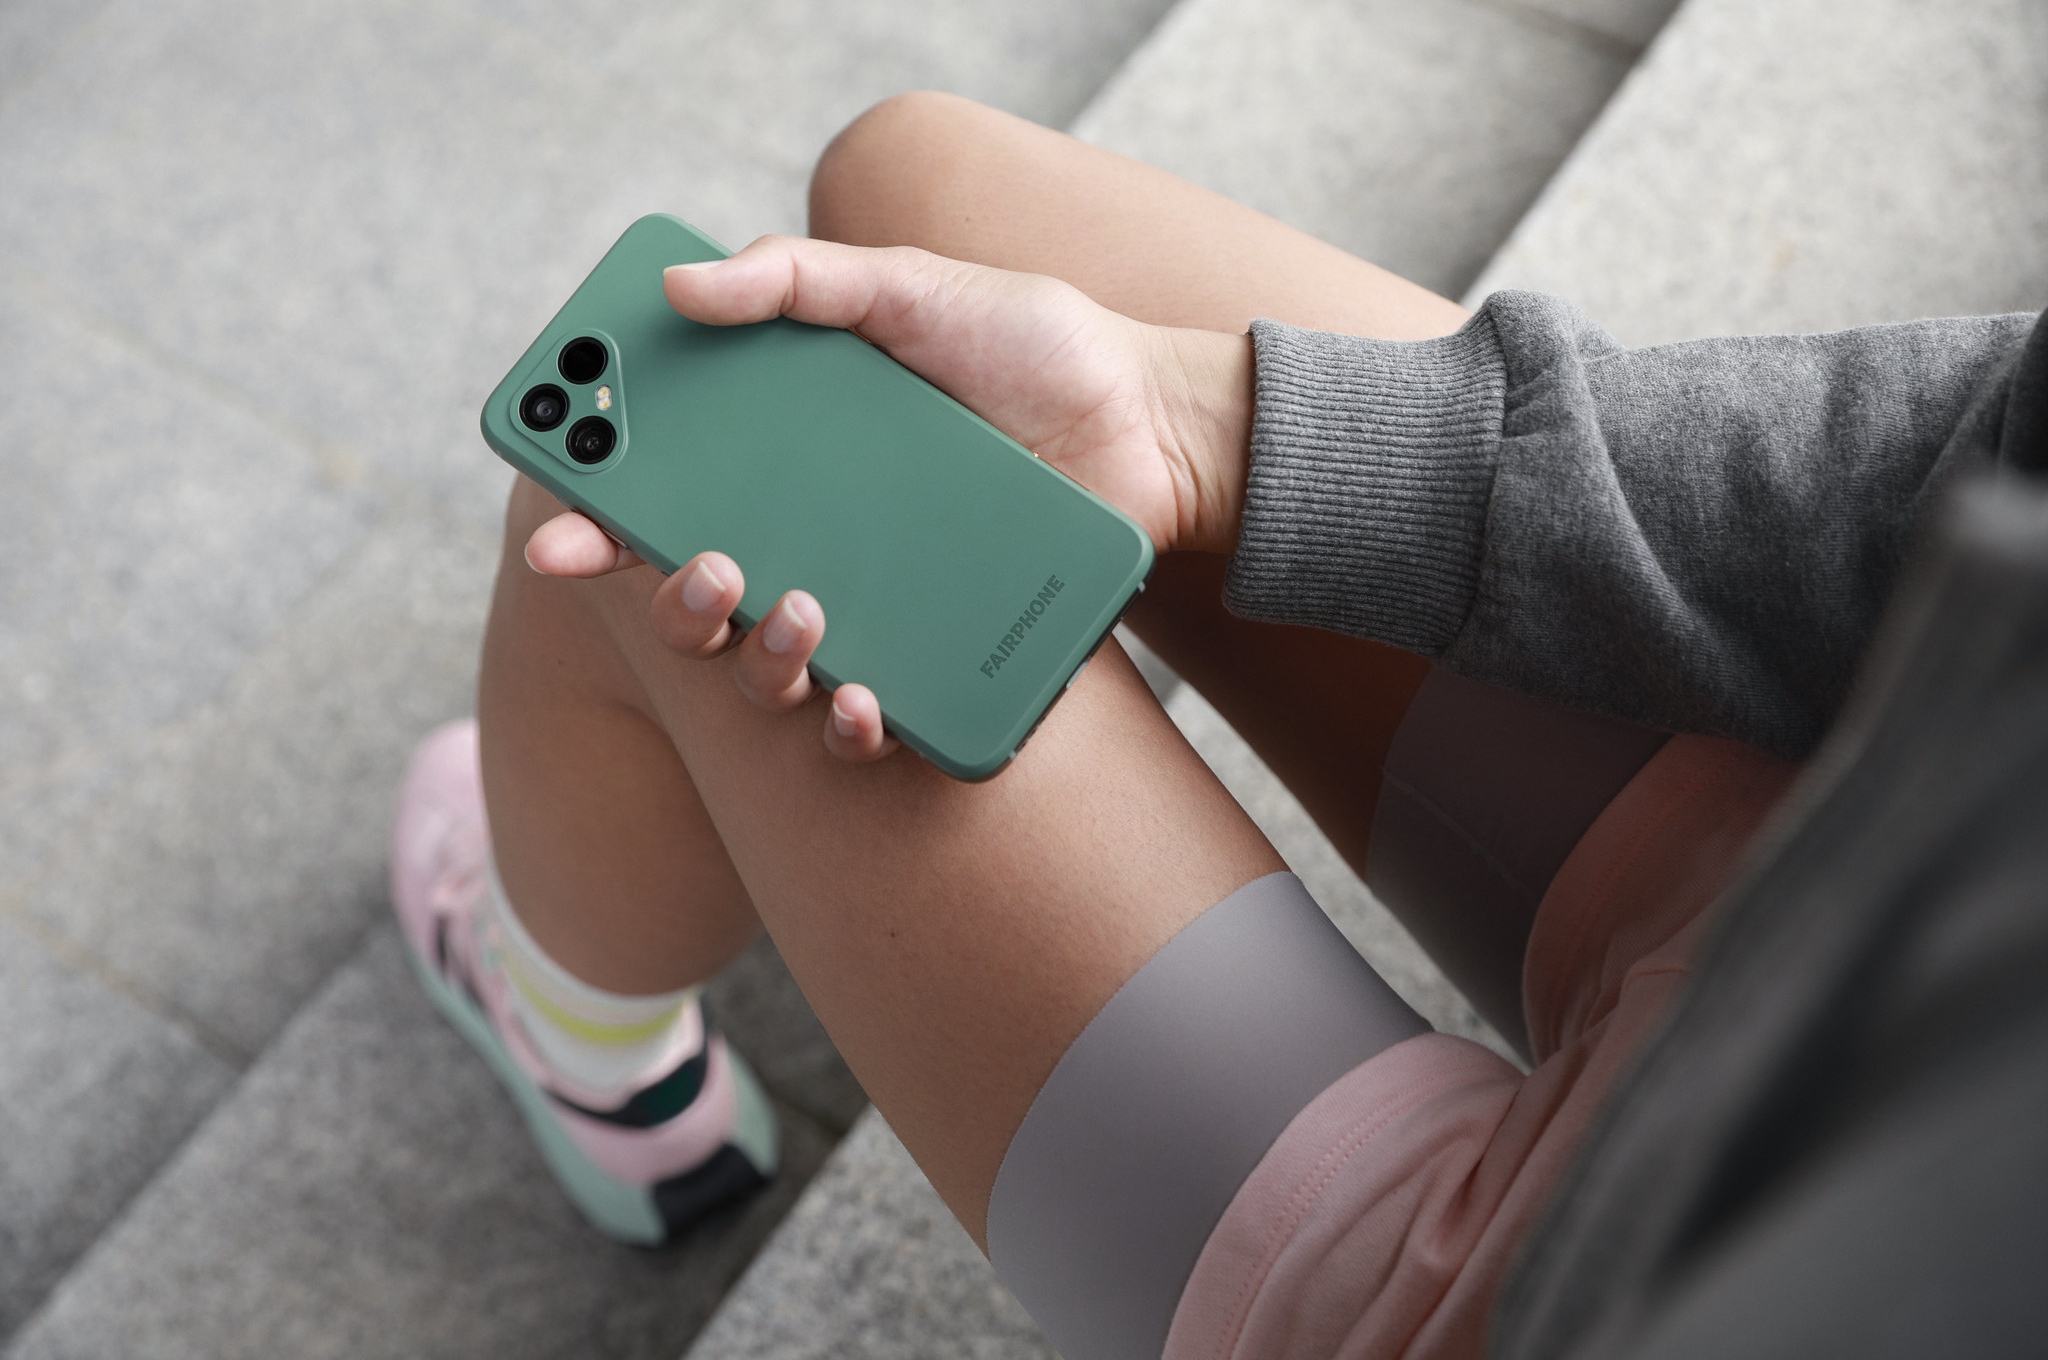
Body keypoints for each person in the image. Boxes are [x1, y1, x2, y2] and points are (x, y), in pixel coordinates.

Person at [389, 93, 2048, 1359]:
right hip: (1883, 809)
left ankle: (594, 1059)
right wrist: (1212, 428)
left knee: (608, 532)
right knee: (920, 187)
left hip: (1590, 1292)